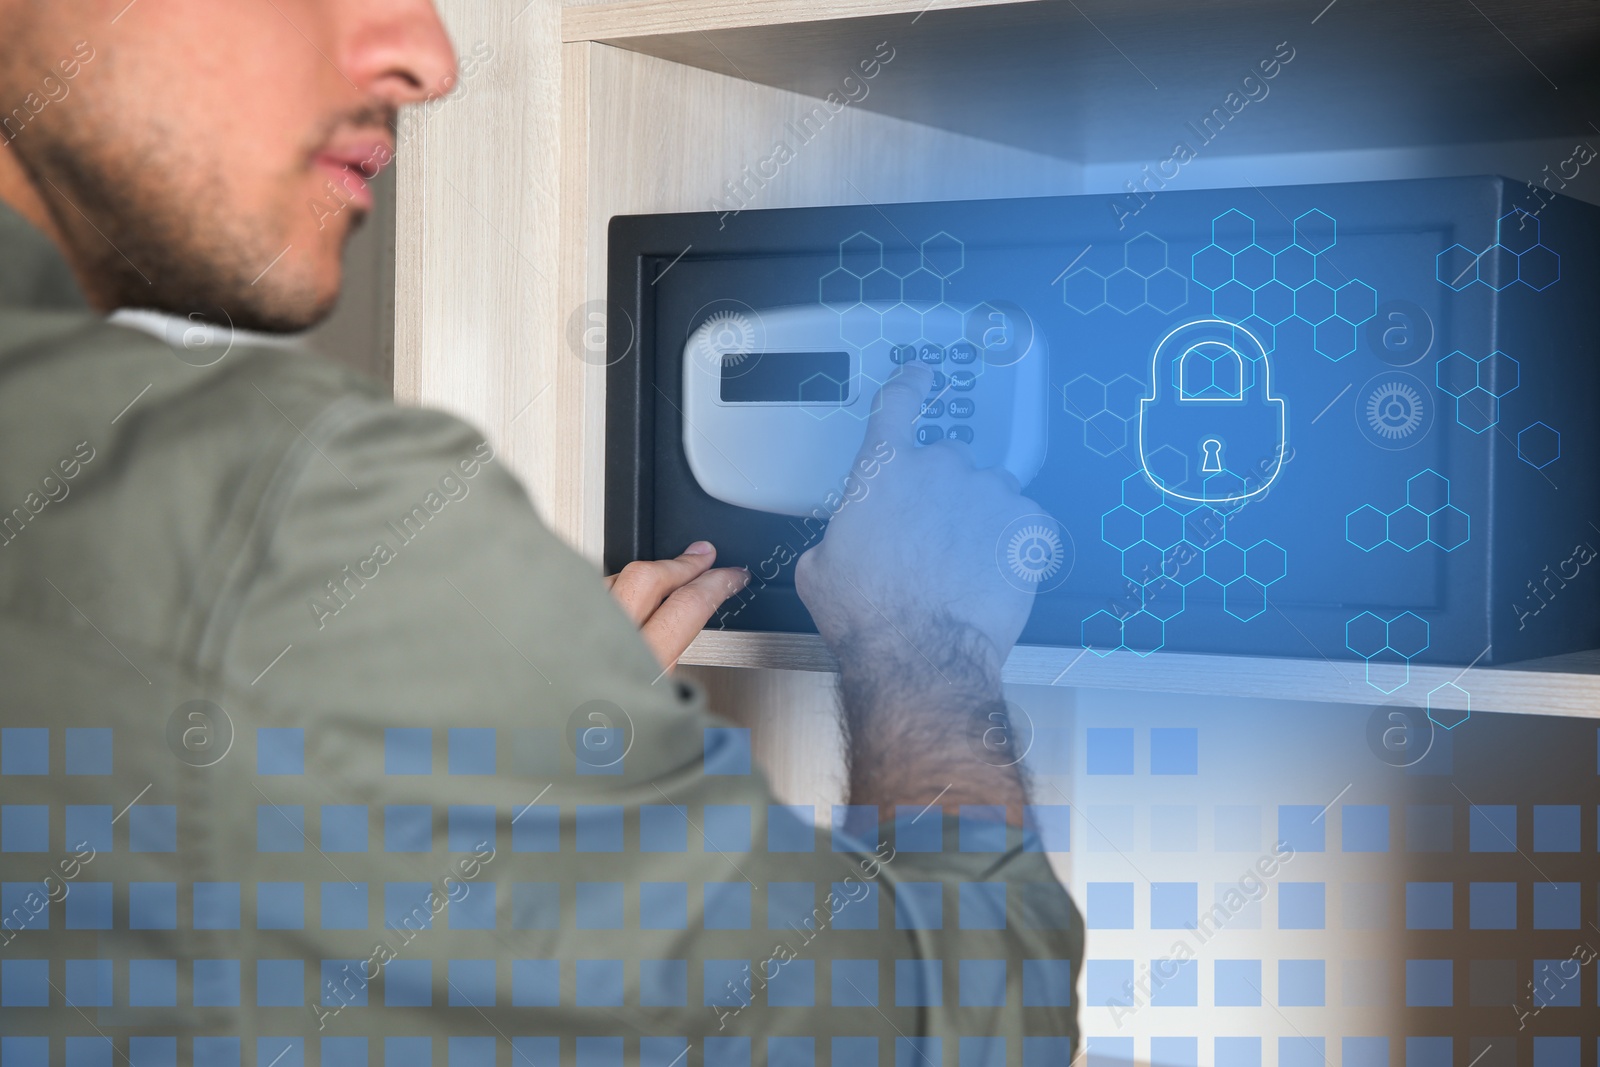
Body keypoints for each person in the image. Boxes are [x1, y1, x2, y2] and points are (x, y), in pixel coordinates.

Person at [0, 1, 1082, 1063]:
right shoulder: (277, 510)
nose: (428, 56)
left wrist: (460, 772)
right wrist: (921, 642)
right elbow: (981, 1017)